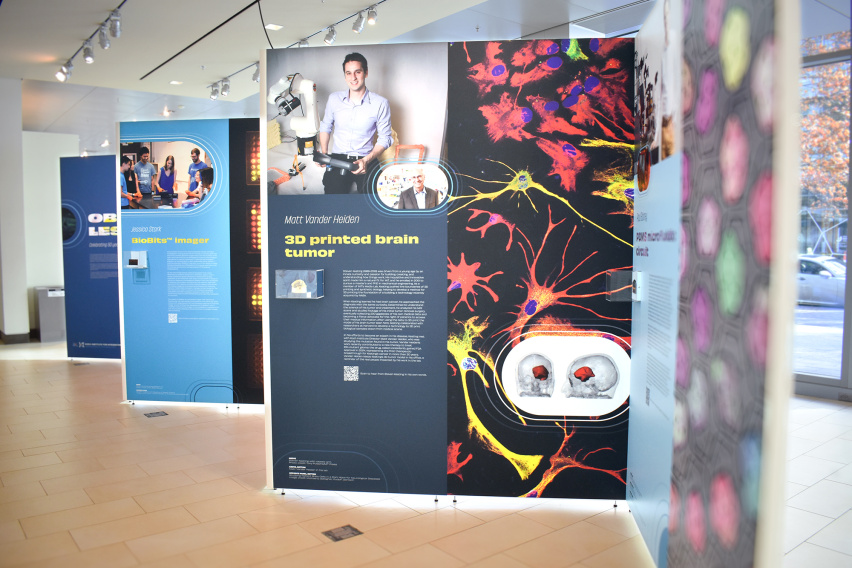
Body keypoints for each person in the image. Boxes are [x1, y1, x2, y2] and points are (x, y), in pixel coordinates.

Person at [318, 52, 392, 194]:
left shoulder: (381, 103)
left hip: (366, 157)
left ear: (366, 73)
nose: (353, 78)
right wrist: (324, 153)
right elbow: (326, 126)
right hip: (338, 157)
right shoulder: (334, 99)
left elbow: (385, 138)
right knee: (333, 201)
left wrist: (366, 160)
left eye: (357, 72)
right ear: (345, 75)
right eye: (348, 73)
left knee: (373, 201)